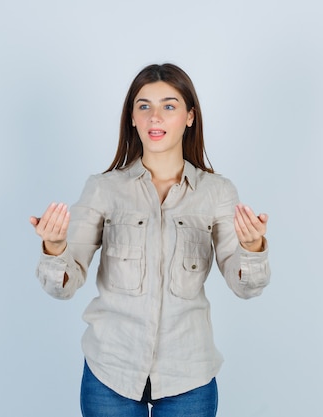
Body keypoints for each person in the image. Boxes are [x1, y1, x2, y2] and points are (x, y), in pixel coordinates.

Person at [29, 63, 271, 417]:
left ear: (190, 116)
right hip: (110, 371)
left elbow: (246, 286)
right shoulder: (103, 189)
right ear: (132, 117)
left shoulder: (217, 192)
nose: (155, 117)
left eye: (169, 106)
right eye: (144, 106)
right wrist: (53, 247)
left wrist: (251, 249)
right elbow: (63, 285)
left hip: (189, 374)